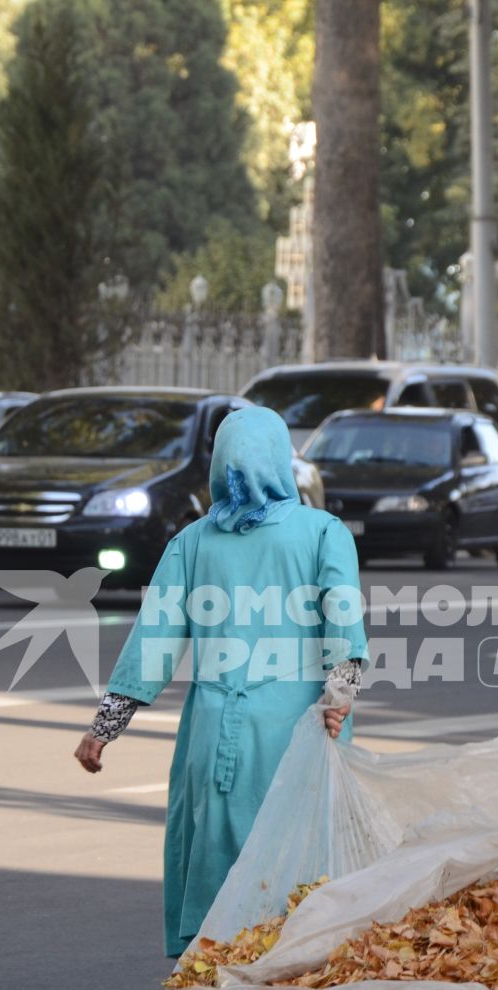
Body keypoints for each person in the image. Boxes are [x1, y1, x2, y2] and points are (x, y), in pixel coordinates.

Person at [74, 406, 369, 956]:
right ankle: (293, 988)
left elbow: (152, 643)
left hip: (215, 740)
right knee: (304, 867)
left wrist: (104, 727)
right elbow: (344, 623)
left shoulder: (192, 543)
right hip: (302, 735)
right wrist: (339, 698)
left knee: (220, 868)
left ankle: (224, 987)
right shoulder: (324, 533)